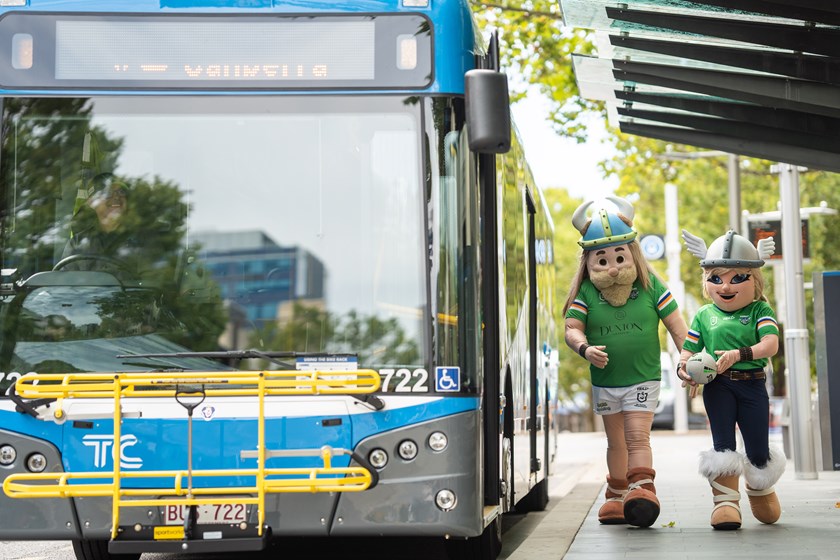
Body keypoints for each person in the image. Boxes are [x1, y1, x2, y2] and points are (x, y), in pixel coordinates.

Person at [562, 196, 687, 528]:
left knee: (636, 437)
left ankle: (642, 490)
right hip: (606, 381)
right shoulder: (586, 293)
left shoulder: (650, 286)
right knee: (615, 442)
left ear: (633, 254)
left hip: (643, 377)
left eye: (619, 257)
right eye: (602, 260)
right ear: (589, 262)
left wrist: (687, 358)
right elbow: (572, 329)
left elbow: (678, 327)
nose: (613, 267)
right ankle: (617, 494)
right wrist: (584, 348)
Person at [678, 229, 784, 530]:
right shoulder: (703, 315)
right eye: (716, 278)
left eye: (737, 278)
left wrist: (739, 354)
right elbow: (688, 351)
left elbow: (771, 345)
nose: (725, 286)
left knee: (758, 450)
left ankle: (759, 489)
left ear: (754, 280)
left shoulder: (760, 309)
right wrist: (684, 370)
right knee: (722, 447)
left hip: (752, 384)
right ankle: (725, 505)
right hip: (718, 386)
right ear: (706, 281)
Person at [60, 172, 130, 267]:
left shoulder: (139, 239)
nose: (117, 197)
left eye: (121, 192)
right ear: (91, 201)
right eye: (108, 192)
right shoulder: (77, 243)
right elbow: (66, 276)